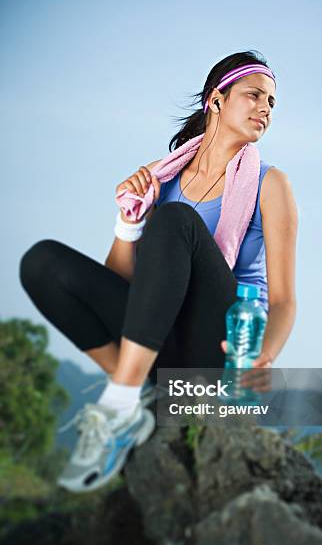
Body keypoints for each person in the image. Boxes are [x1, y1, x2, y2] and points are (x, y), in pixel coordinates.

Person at [19, 50, 298, 493]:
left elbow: (283, 299)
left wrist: (262, 356)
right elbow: (124, 286)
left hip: (221, 346)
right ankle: (138, 394)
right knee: (42, 263)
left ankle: (119, 405)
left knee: (176, 222)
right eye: (254, 95)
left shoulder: (271, 183)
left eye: (272, 102)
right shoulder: (161, 178)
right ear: (217, 101)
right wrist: (128, 222)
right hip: (160, 341)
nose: (266, 108)